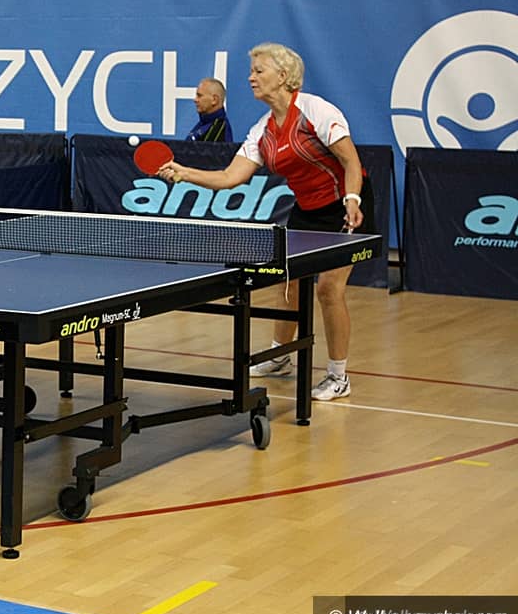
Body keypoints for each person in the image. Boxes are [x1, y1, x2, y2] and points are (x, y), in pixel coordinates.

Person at [158, 43, 374, 401]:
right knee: (287, 281)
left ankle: (339, 377)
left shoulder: (316, 111)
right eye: (252, 71)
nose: (251, 77)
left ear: (284, 76)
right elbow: (230, 177)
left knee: (328, 289)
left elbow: (351, 161)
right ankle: (280, 356)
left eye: (259, 71)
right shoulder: (262, 130)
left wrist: (352, 198)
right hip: (307, 209)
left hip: (345, 205)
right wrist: (184, 173)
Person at [186, 77, 233, 142]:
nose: (195, 100)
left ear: (214, 100)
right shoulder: (204, 123)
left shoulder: (219, 128)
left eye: (199, 96)